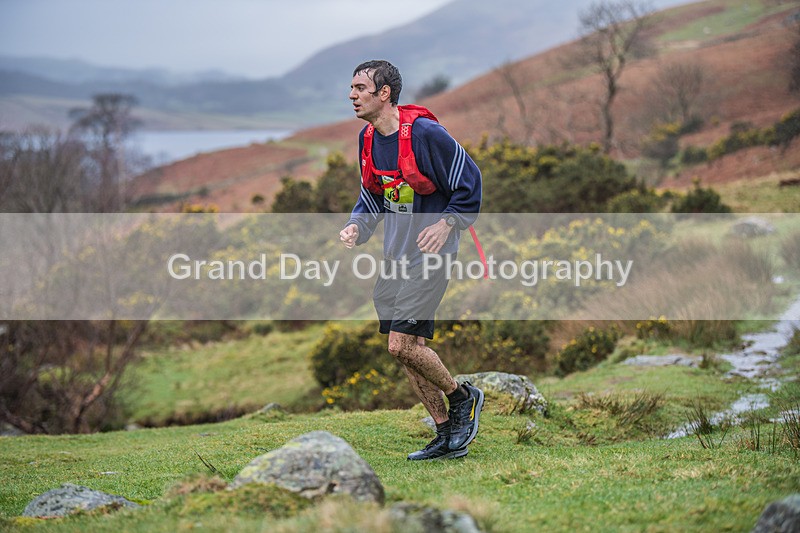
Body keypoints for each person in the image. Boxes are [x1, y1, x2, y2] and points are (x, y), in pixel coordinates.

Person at [339, 59, 484, 460]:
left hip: (430, 257)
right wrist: (357, 226)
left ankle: (462, 397)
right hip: (394, 258)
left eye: (360, 88)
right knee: (407, 346)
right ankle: (445, 432)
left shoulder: (426, 134)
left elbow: (469, 181)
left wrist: (447, 224)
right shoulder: (367, 139)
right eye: (351, 88)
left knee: (399, 345)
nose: (352, 95)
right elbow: (372, 194)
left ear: (384, 93)